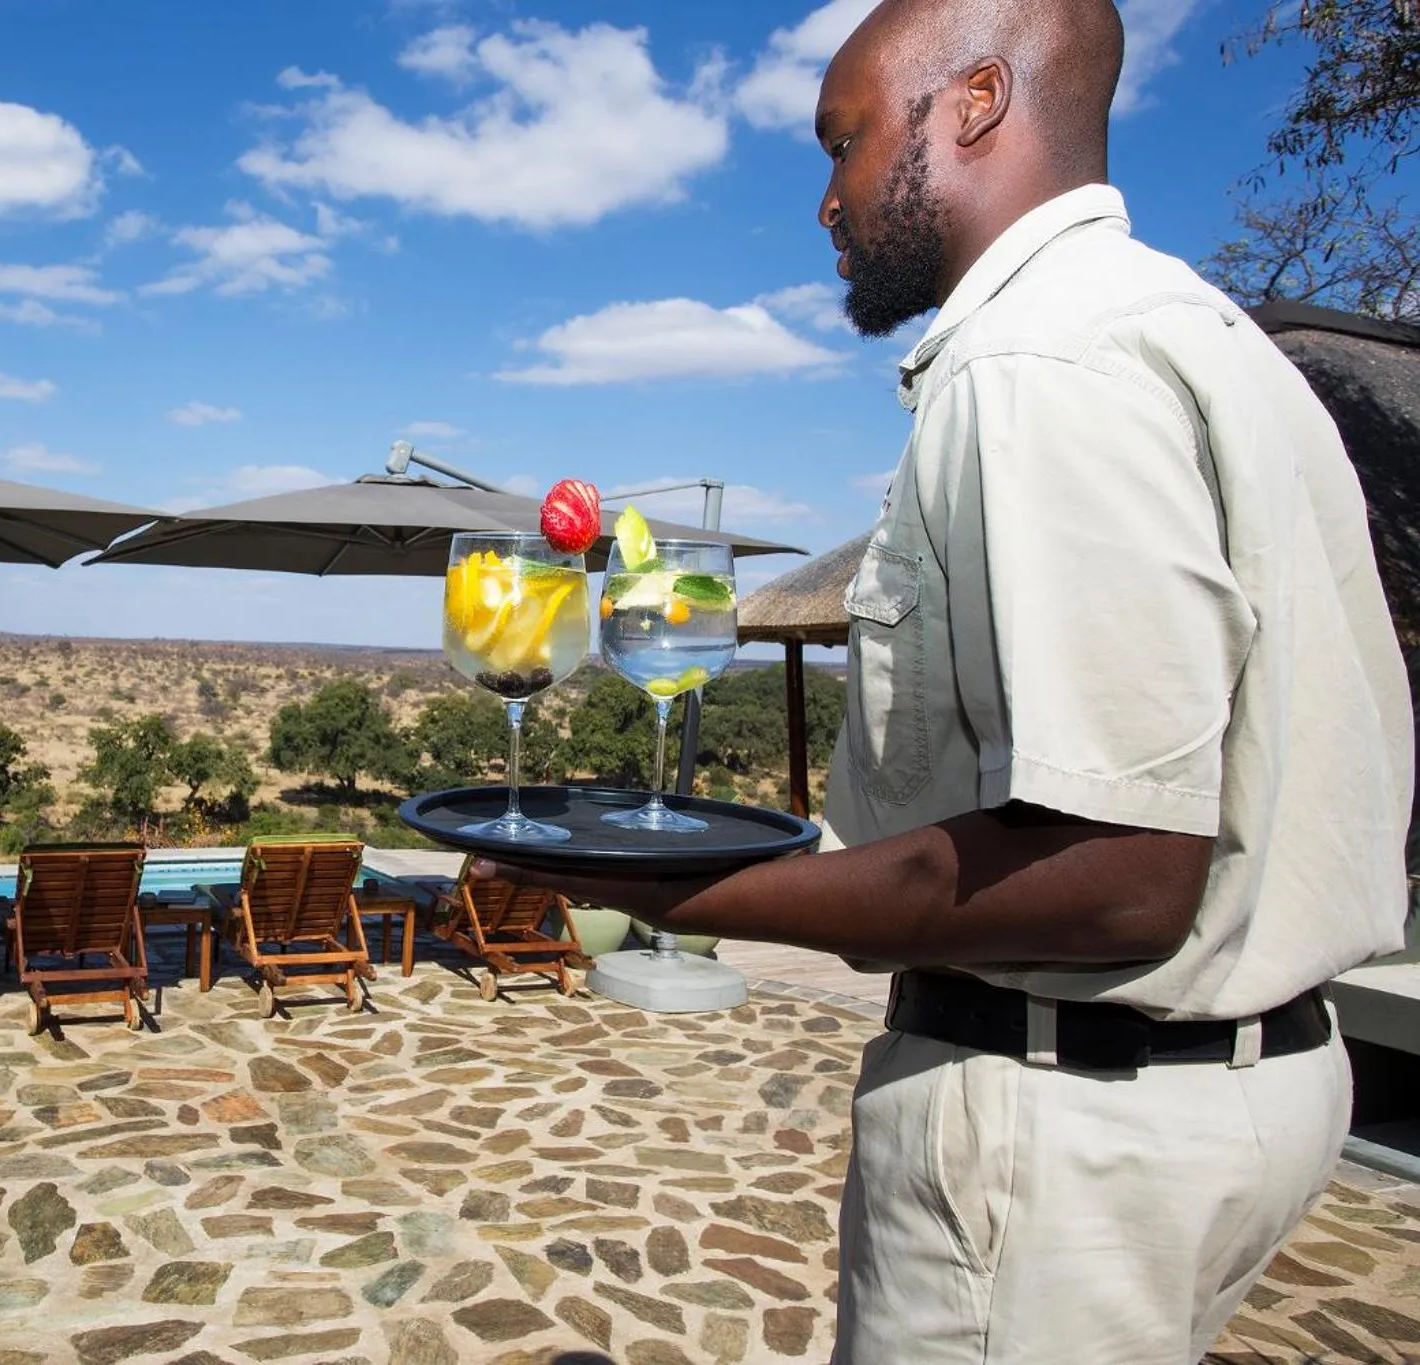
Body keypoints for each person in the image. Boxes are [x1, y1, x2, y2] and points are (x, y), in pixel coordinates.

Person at [477, 1, 1412, 1361]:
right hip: (1248, 1090)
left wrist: (645, 884)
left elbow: (1120, 873)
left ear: (974, 100)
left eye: (843, 143)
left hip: (1066, 1126)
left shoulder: (1035, 364)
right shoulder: (1202, 336)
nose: (825, 204)